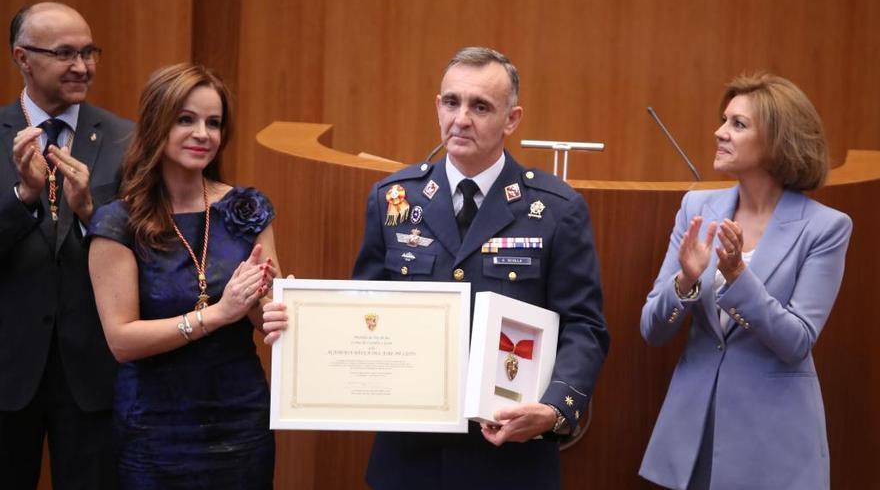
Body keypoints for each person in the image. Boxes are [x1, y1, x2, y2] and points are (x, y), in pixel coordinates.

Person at [274, 46, 608, 489]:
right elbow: (362, 316)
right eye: (452, 102)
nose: (462, 118)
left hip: (510, 460)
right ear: (438, 107)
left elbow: (584, 326)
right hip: (410, 461)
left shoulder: (554, 209)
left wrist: (554, 408)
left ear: (512, 119)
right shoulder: (394, 199)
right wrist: (300, 322)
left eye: (480, 106)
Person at [638, 73, 852, 490]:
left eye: (738, 124)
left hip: (773, 443)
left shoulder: (825, 228)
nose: (719, 133)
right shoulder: (696, 206)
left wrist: (737, 275)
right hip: (694, 433)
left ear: (778, 141)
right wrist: (686, 280)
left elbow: (797, 341)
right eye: (724, 120)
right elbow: (653, 329)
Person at [87, 63, 279, 489]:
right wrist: (218, 313)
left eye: (214, 123)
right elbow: (122, 341)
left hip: (241, 417)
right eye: (186, 119)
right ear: (157, 122)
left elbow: (263, 316)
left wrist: (271, 309)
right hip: (155, 427)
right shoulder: (118, 222)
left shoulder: (246, 210)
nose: (203, 134)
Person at [0, 2, 131, 489]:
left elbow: (148, 250)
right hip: (8, 370)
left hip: (94, 372)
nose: (83, 66)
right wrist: (23, 198)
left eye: (89, 52)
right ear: (22, 57)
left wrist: (90, 215)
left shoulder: (126, 140)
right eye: (65, 54)